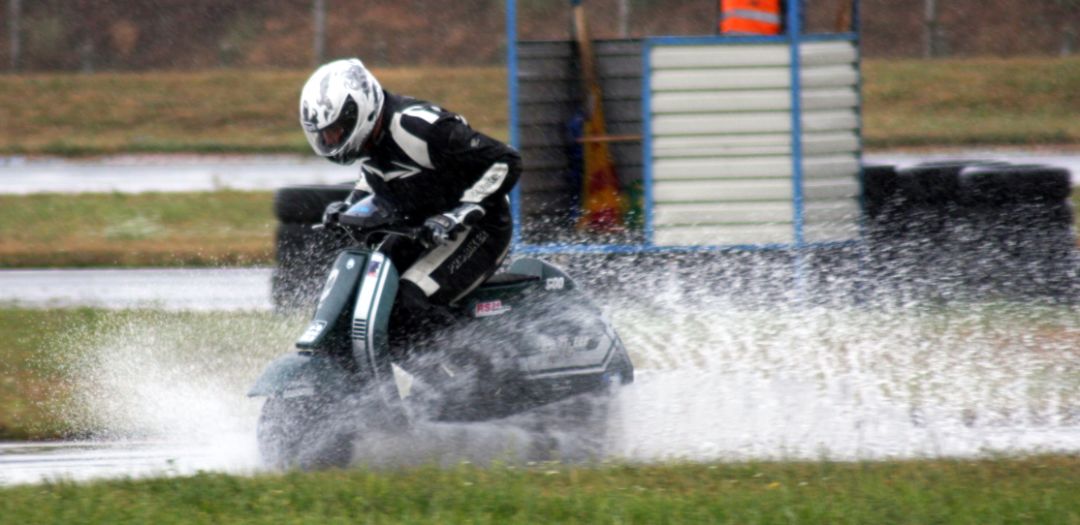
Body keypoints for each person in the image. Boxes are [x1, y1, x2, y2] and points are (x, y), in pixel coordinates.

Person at [299, 58, 521, 347]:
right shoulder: (371, 140)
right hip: (420, 227)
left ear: (359, 111)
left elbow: (506, 159)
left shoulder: (419, 128)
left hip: (480, 227)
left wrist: (459, 212)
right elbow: (376, 176)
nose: (330, 140)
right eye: (324, 135)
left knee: (407, 302)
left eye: (336, 130)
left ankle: (469, 376)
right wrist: (348, 206)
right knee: (360, 296)